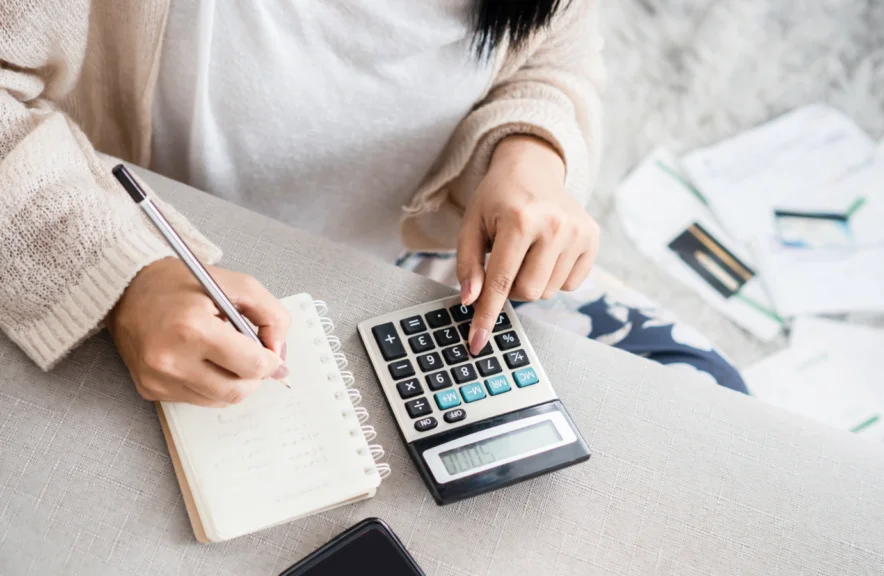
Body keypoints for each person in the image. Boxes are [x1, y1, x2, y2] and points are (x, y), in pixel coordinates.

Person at [0, 0, 745, 408]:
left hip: (409, 264)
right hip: (136, 253)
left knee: (707, 395)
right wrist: (126, 280)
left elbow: (554, 56)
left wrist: (530, 153)